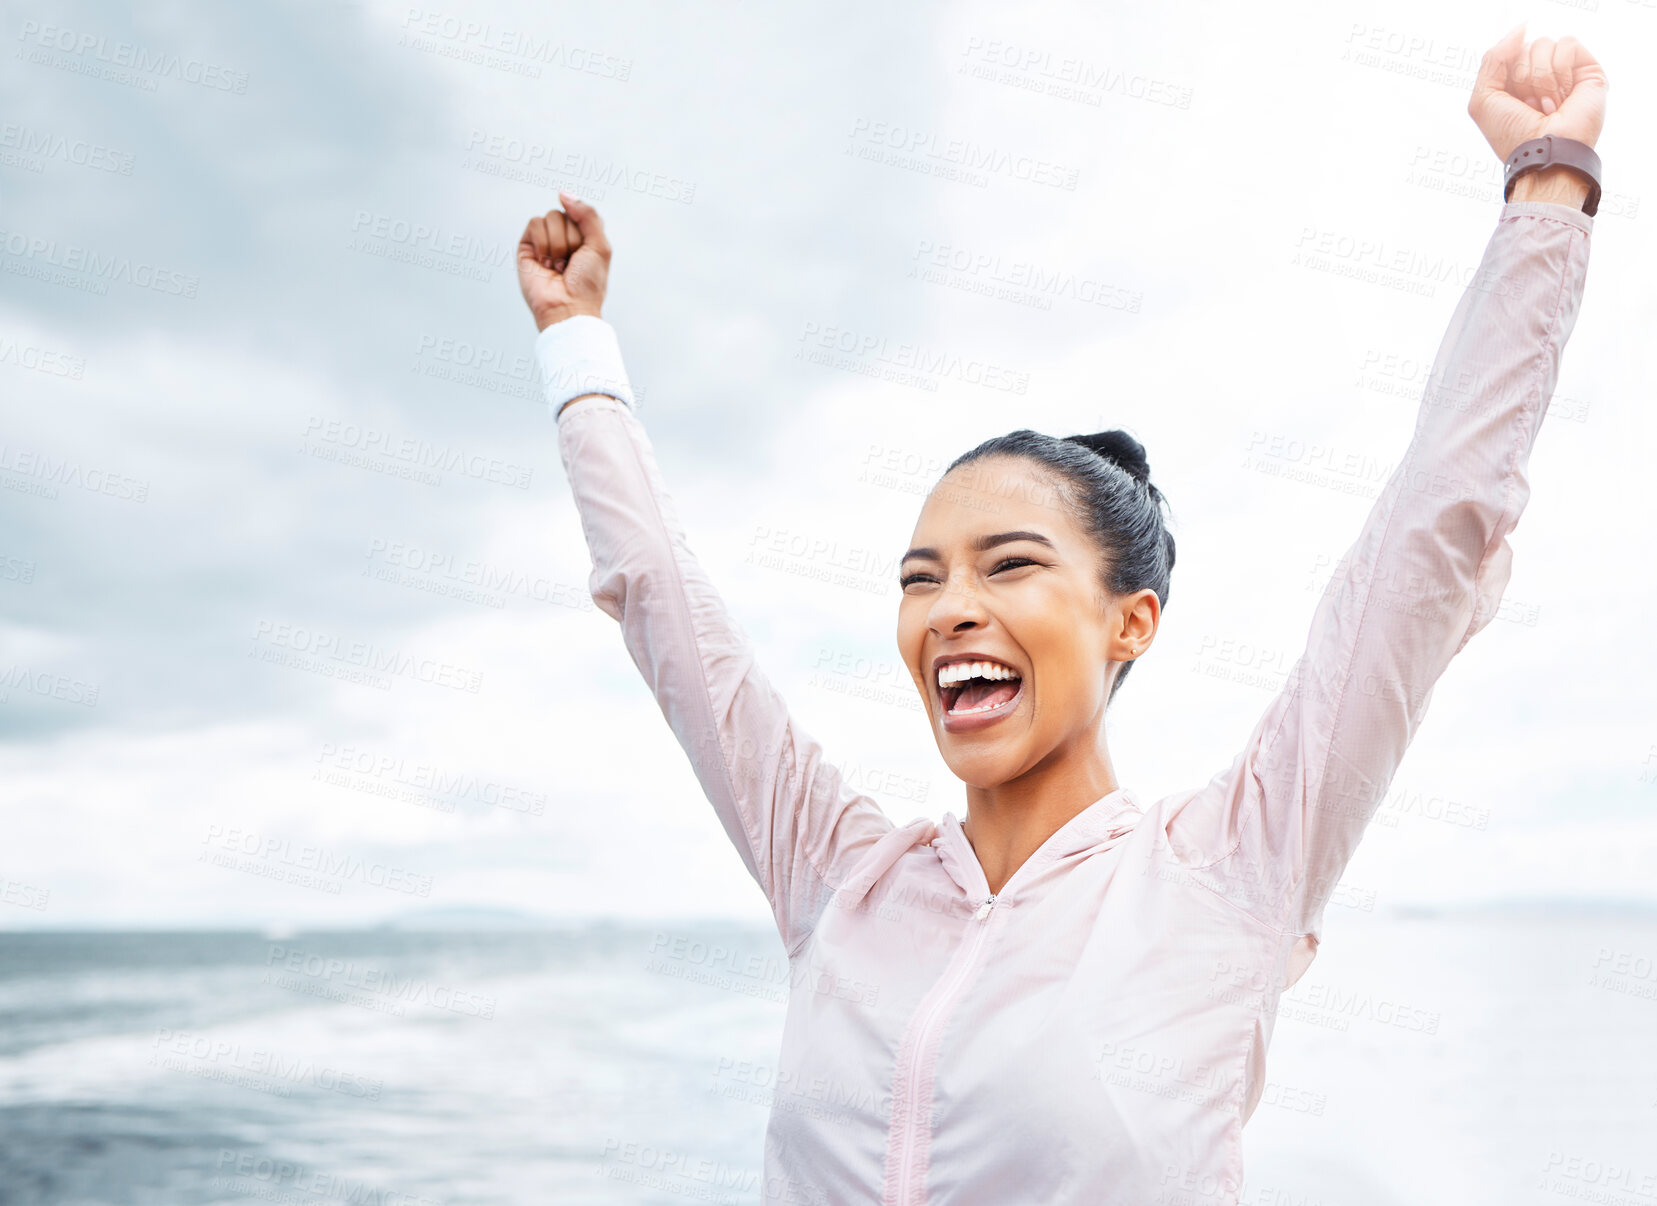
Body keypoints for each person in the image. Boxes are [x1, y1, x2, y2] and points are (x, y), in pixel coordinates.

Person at [516, 25, 1606, 1205]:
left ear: (1130, 622)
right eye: (920, 577)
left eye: (1008, 565)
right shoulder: (841, 879)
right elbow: (662, 604)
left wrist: (1545, 185)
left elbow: (1428, 538)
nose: (949, 611)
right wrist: (575, 342)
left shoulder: (1227, 873)